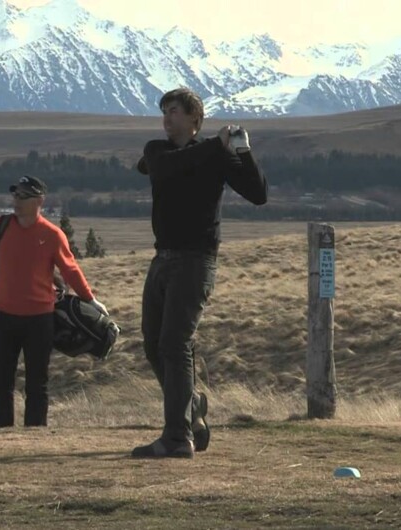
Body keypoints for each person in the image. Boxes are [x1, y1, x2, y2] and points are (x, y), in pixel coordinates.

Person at [133, 87, 268, 458]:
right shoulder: (157, 151)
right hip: (163, 259)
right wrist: (217, 144)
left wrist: (242, 150)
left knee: (175, 344)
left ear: (194, 117)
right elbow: (167, 167)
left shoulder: (215, 156)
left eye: (174, 111)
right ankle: (192, 408)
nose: (166, 118)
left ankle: (177, 438)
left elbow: (258, 194)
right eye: (164, 111)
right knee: (153, 344)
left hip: (195, 262)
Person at [0, 175, 109, 428]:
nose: (17, 200)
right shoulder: (1, 226)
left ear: (39, 200)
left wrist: (90, 300)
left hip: (40, 320)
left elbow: (71, 270)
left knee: (37, 384)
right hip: (4, 317)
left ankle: (34, 438)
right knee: (1, 383)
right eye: (15, 194)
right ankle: (1, 436)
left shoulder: (52, 235)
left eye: (24, 195)